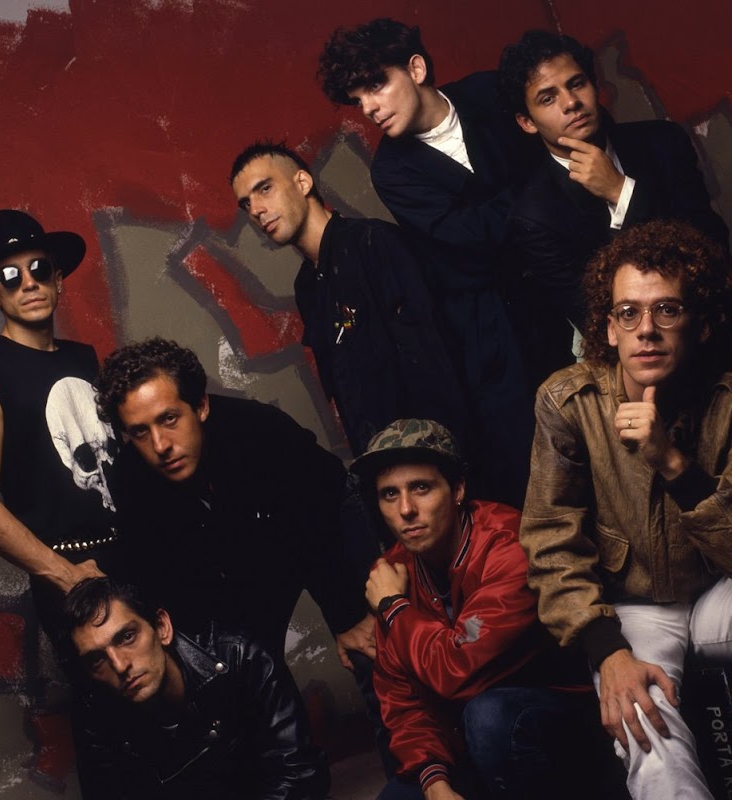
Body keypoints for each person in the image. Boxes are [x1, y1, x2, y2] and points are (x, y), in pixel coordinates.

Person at [520, 219, 732, 799]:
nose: (647, 331)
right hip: (633, 608)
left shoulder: (726, 402)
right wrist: (608, 651)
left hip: (717, 594)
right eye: (628, 313)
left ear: (701, 323)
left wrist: (672, 461)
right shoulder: (569, 402)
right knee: (643, 724)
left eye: (667, 310)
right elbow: (551, 541)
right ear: (608, 329)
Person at [318, 18, 542, 509]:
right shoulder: (392, 171)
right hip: (495, 334)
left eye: (376, 85)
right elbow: (471, 239)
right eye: (358, 99)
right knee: (537, 476)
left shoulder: (490, 93)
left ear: (415, 69)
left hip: (565, 287)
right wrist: (542, 190)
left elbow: (559, 148)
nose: (368, 108)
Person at [351, 419, 607, 800]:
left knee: (489, 716)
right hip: (470, 742)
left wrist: (393, 606)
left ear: (457, 489)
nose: (405, 509)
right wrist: (434, 780)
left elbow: (457, 667)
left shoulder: (508, 547)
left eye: (421, 488)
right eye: (390, 494)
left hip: (554, 731)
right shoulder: (393, 570)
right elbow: (401, 699)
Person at [93, 337, 372, 668]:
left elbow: (317, 529)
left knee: (363, 639)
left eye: (169, 419)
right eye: (140, 432)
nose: (160, 445)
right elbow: (169, 583)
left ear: (201, 406)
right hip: (234, 548)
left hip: (323, 517)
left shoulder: (261, 432)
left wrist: (348, 616)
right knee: (242, 665)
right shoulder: (130, 480)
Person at [498, 29, 729, 386]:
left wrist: (622, 191)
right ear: (526, 122)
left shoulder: (662, 142)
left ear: (594, 85)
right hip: (639, 372)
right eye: (548, 98)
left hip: (717, 334)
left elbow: (713, 246)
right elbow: (599, 317)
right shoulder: (534, 215)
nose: (571, 103)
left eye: (577, 84)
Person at [229, 140, 465, 458]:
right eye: (246, 203)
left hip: (433, 456)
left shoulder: (374, 243)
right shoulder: (307, 286)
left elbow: (434, 361)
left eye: (265, 189)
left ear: (303, 182)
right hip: (379, 464)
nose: (256, 210)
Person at [0, 209, 118, 643]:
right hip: (73, 576)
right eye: (10, 277)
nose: (28, 283)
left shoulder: (83, 358)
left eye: (39, 269)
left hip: (131, 557)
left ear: (57, 280)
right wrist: (65, 576)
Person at [65, 577, 330, 800]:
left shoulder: (240, 658)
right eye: (97, 659)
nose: (120, 665)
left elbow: (299, 773)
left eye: (127, 637)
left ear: (162, 627)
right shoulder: (97, 721)